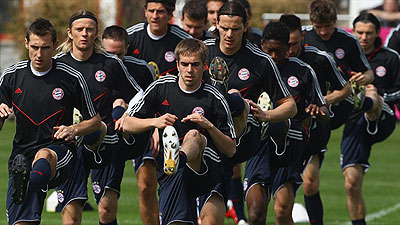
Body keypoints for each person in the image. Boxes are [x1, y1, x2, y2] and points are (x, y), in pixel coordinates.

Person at [118, 38, 236, 225]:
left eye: (195, 65)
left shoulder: (214, 97)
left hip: (208, 168)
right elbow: (126, 124)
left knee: (194, 135)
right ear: (177, 64)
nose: (190, 70)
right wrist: (155, 122)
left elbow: (230, 149)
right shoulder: (161, 87)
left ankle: (179, 156)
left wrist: (209, 126)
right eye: (185, 64)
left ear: (205, 66)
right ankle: (177, 159)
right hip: (172, 172)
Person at [200, 2, 297, 224]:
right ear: (216, 24)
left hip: (245, 137)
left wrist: (267, 116)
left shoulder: (260, 60)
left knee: (234, 97)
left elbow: (290, 105)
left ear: (245, 27)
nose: (229, 34)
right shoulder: (202, 52)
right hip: (210, 137)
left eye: (235, 28)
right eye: (224, 28)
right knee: (209, 217)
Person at [0, 17, 101, 225]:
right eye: (34, 47)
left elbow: (95, 121)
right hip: (22, 157)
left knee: (44, 155)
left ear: (55, 46)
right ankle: (26, 184)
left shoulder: (71, 78)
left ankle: (29, 183)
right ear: (26, 43)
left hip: (60, 151)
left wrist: (74, 129)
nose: (39, 54)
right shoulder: (12, 76)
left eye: (45, 48)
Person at [54, 10, 143, 225]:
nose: (84, 34)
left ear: (96, 34)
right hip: (70, 143)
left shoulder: (110, 63)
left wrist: (128, 114)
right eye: (79, 29)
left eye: (89, 29)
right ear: (70, 33)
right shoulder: (57, 64)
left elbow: (140, 95)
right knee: (71, 214)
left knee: (106, 210)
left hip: (106, 140)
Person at [244, 21, 328, 225]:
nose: (273, 56)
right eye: (269, 50)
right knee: (255, 214)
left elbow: (323, 108)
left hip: (290, 143)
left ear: (288, 48)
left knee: (282, 211)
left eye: (279, 51)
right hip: (259, 146)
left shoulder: (303, 71)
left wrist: (318, 111)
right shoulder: (251, 69)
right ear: (261, 45)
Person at [302, 1, 374, 223]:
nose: (323, 32)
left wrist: (364, 78)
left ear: (336, 21)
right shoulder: (302, 39)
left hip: (346, 110)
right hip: (314, 114)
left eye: (328, 26)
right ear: (311, 22)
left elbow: (368, 73)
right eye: (318, 26)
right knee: (309, 181)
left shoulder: (348, 40)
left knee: (352, 180)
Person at [125, 1, 191, 224]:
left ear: (170, 14)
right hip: (144, 119)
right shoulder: (131, 37)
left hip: (178, 120)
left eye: (161, 11)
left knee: (178, 181)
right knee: (145, 185)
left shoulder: (182, 40)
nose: (155, 16)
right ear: (144, 11)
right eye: (151, 11)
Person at [342, 12, 399, 225]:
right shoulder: (344, 57)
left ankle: (370, 104)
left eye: (369, 33)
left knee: (372, 95)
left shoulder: (390, 58)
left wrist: (379, 95)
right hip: (354, 123)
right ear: (353, 32)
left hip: (383, 116)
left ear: (377, 33)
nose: (364, 37)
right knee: (351, 184)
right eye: (359, 33)